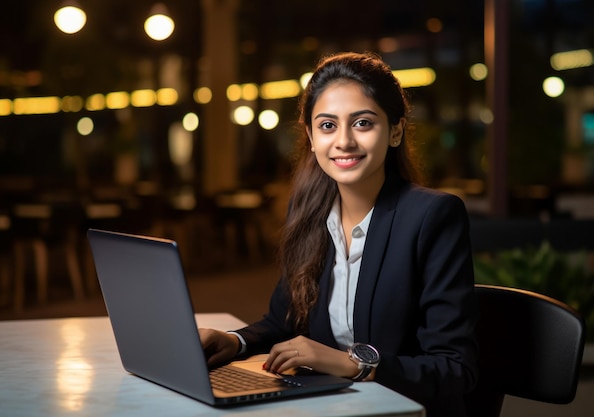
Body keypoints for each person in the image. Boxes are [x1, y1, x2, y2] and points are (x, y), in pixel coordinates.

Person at [199, 51, 478, 416]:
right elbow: (284, 320)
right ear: (311, 138)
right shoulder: (311, 213)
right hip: (332, 407)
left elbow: (454, 369)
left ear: (395, 130)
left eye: (362, 123)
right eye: (327, 126)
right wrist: (234, 342)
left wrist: (354, 363)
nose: (343, 141)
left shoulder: (432, 217)